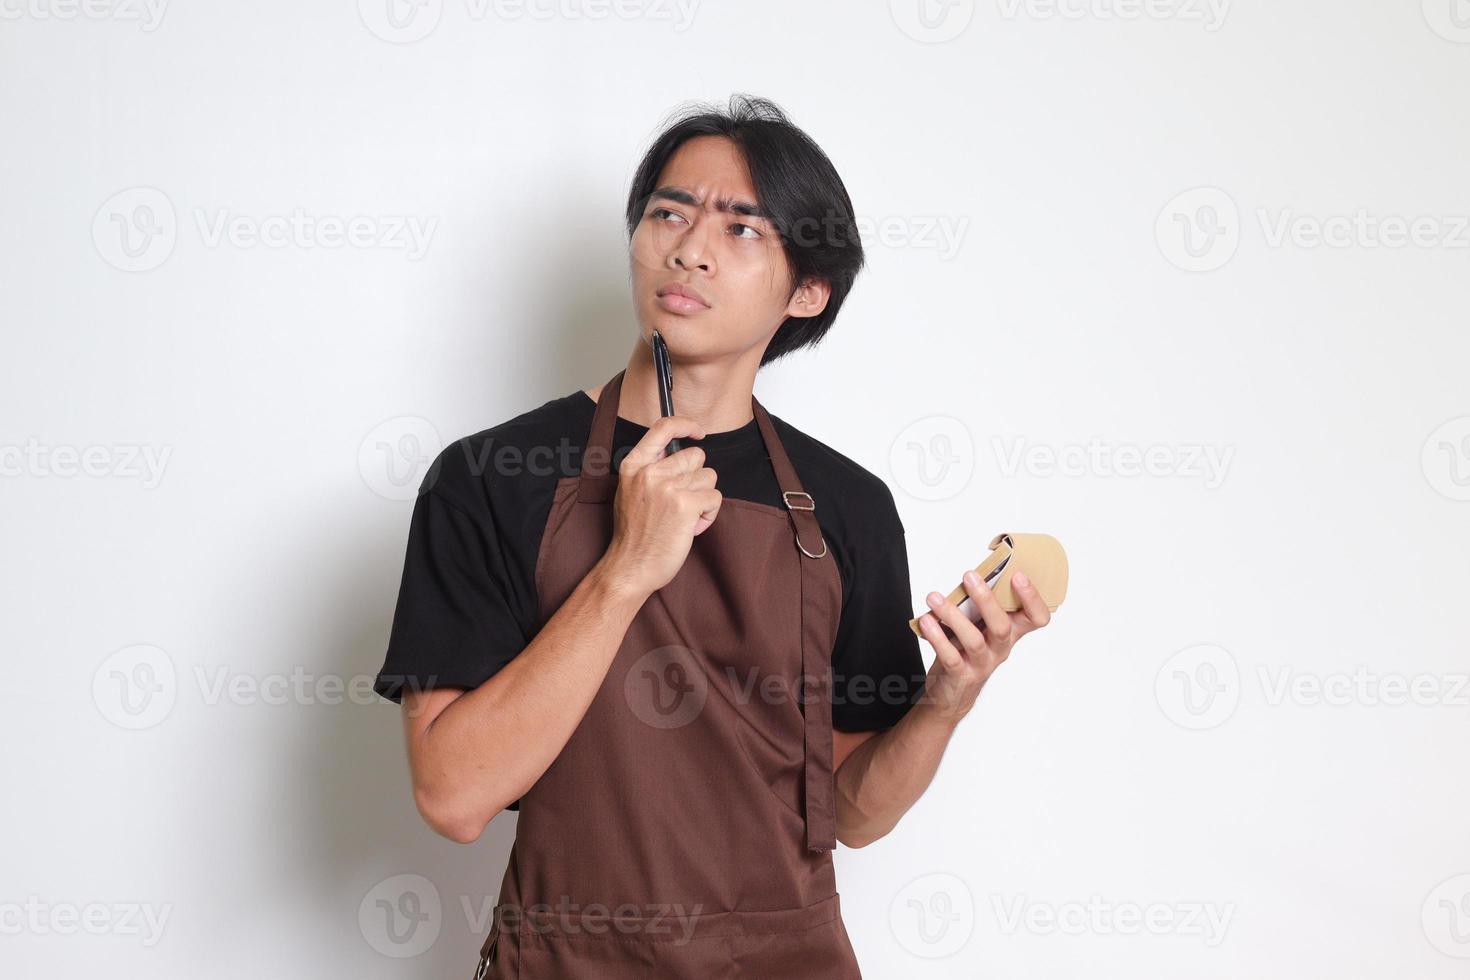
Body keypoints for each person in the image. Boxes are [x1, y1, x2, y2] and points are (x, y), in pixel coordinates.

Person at [373, 94, 1055, 978]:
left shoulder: (847, 506)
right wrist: (624, 571)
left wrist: (947, 698)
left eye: (742, 229)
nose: (689, 246)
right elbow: (454, 794)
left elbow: (852, 812)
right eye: (668, 211)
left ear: (807, 291)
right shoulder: (489, 477)